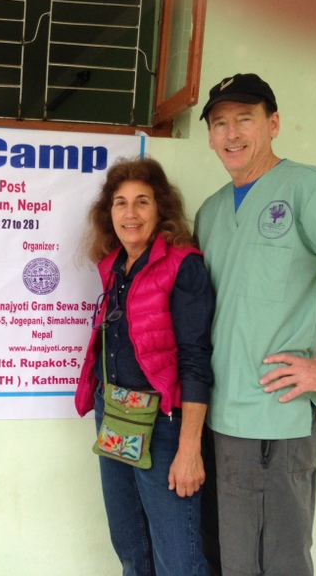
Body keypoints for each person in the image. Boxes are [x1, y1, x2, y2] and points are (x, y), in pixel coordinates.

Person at [195, 73, 316, 576]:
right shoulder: (211, 212)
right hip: (217, 422)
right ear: (210, 136)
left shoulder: (311, 189)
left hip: (274, 423)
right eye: (219, 123)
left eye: (245, 119)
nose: (231, 133)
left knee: (276, 564)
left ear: (274, 124)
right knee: (230, 562)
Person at [75, 157, 216, 576]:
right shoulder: (114, 266)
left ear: (160, 209)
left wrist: (189, 449)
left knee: (178, 559)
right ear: (109, 212)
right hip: (116, 414)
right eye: (120, 202)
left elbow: (196, 360)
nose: (130, 213)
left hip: (164, 426)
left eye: (142, 201)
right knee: (131, 549)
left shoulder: (183, 265)